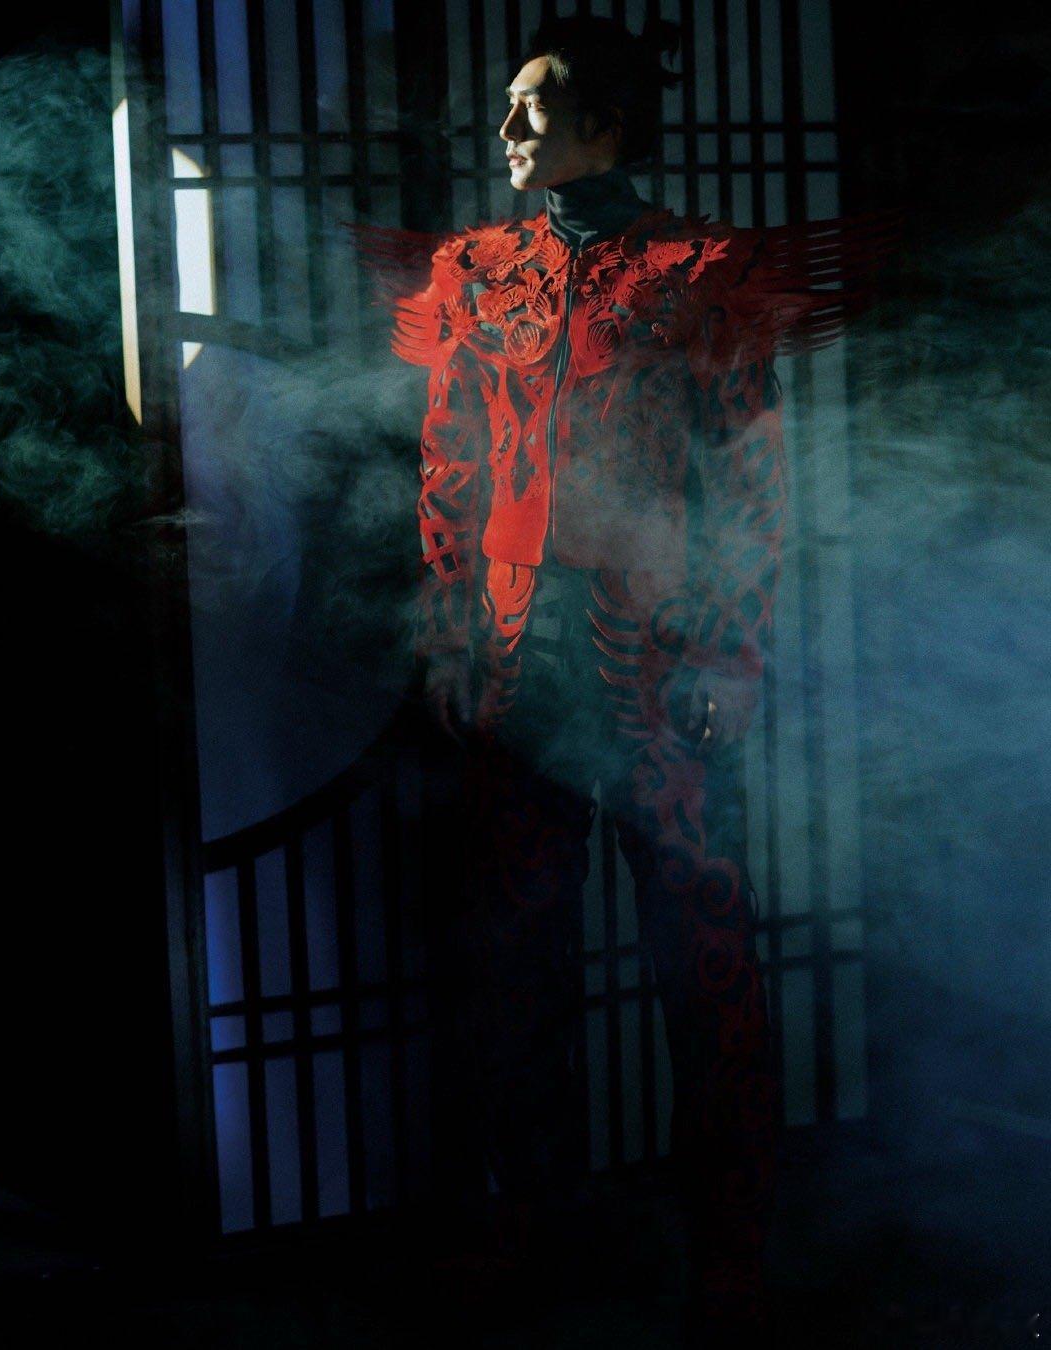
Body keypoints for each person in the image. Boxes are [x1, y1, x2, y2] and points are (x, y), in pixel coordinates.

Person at [366, 15, 891, 1345]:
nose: (505, 133)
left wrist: (733, 645)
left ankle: (732, 1257)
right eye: (508, 110)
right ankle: (528, 1242)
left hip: (659, 647)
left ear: (603, 123)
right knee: (512, 970)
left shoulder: (699, 267)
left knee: (703, 961)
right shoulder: (473, 268)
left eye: (533, 111)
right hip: (511, 657)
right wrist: (448, 632)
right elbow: (447, 462)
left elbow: (750, 474)